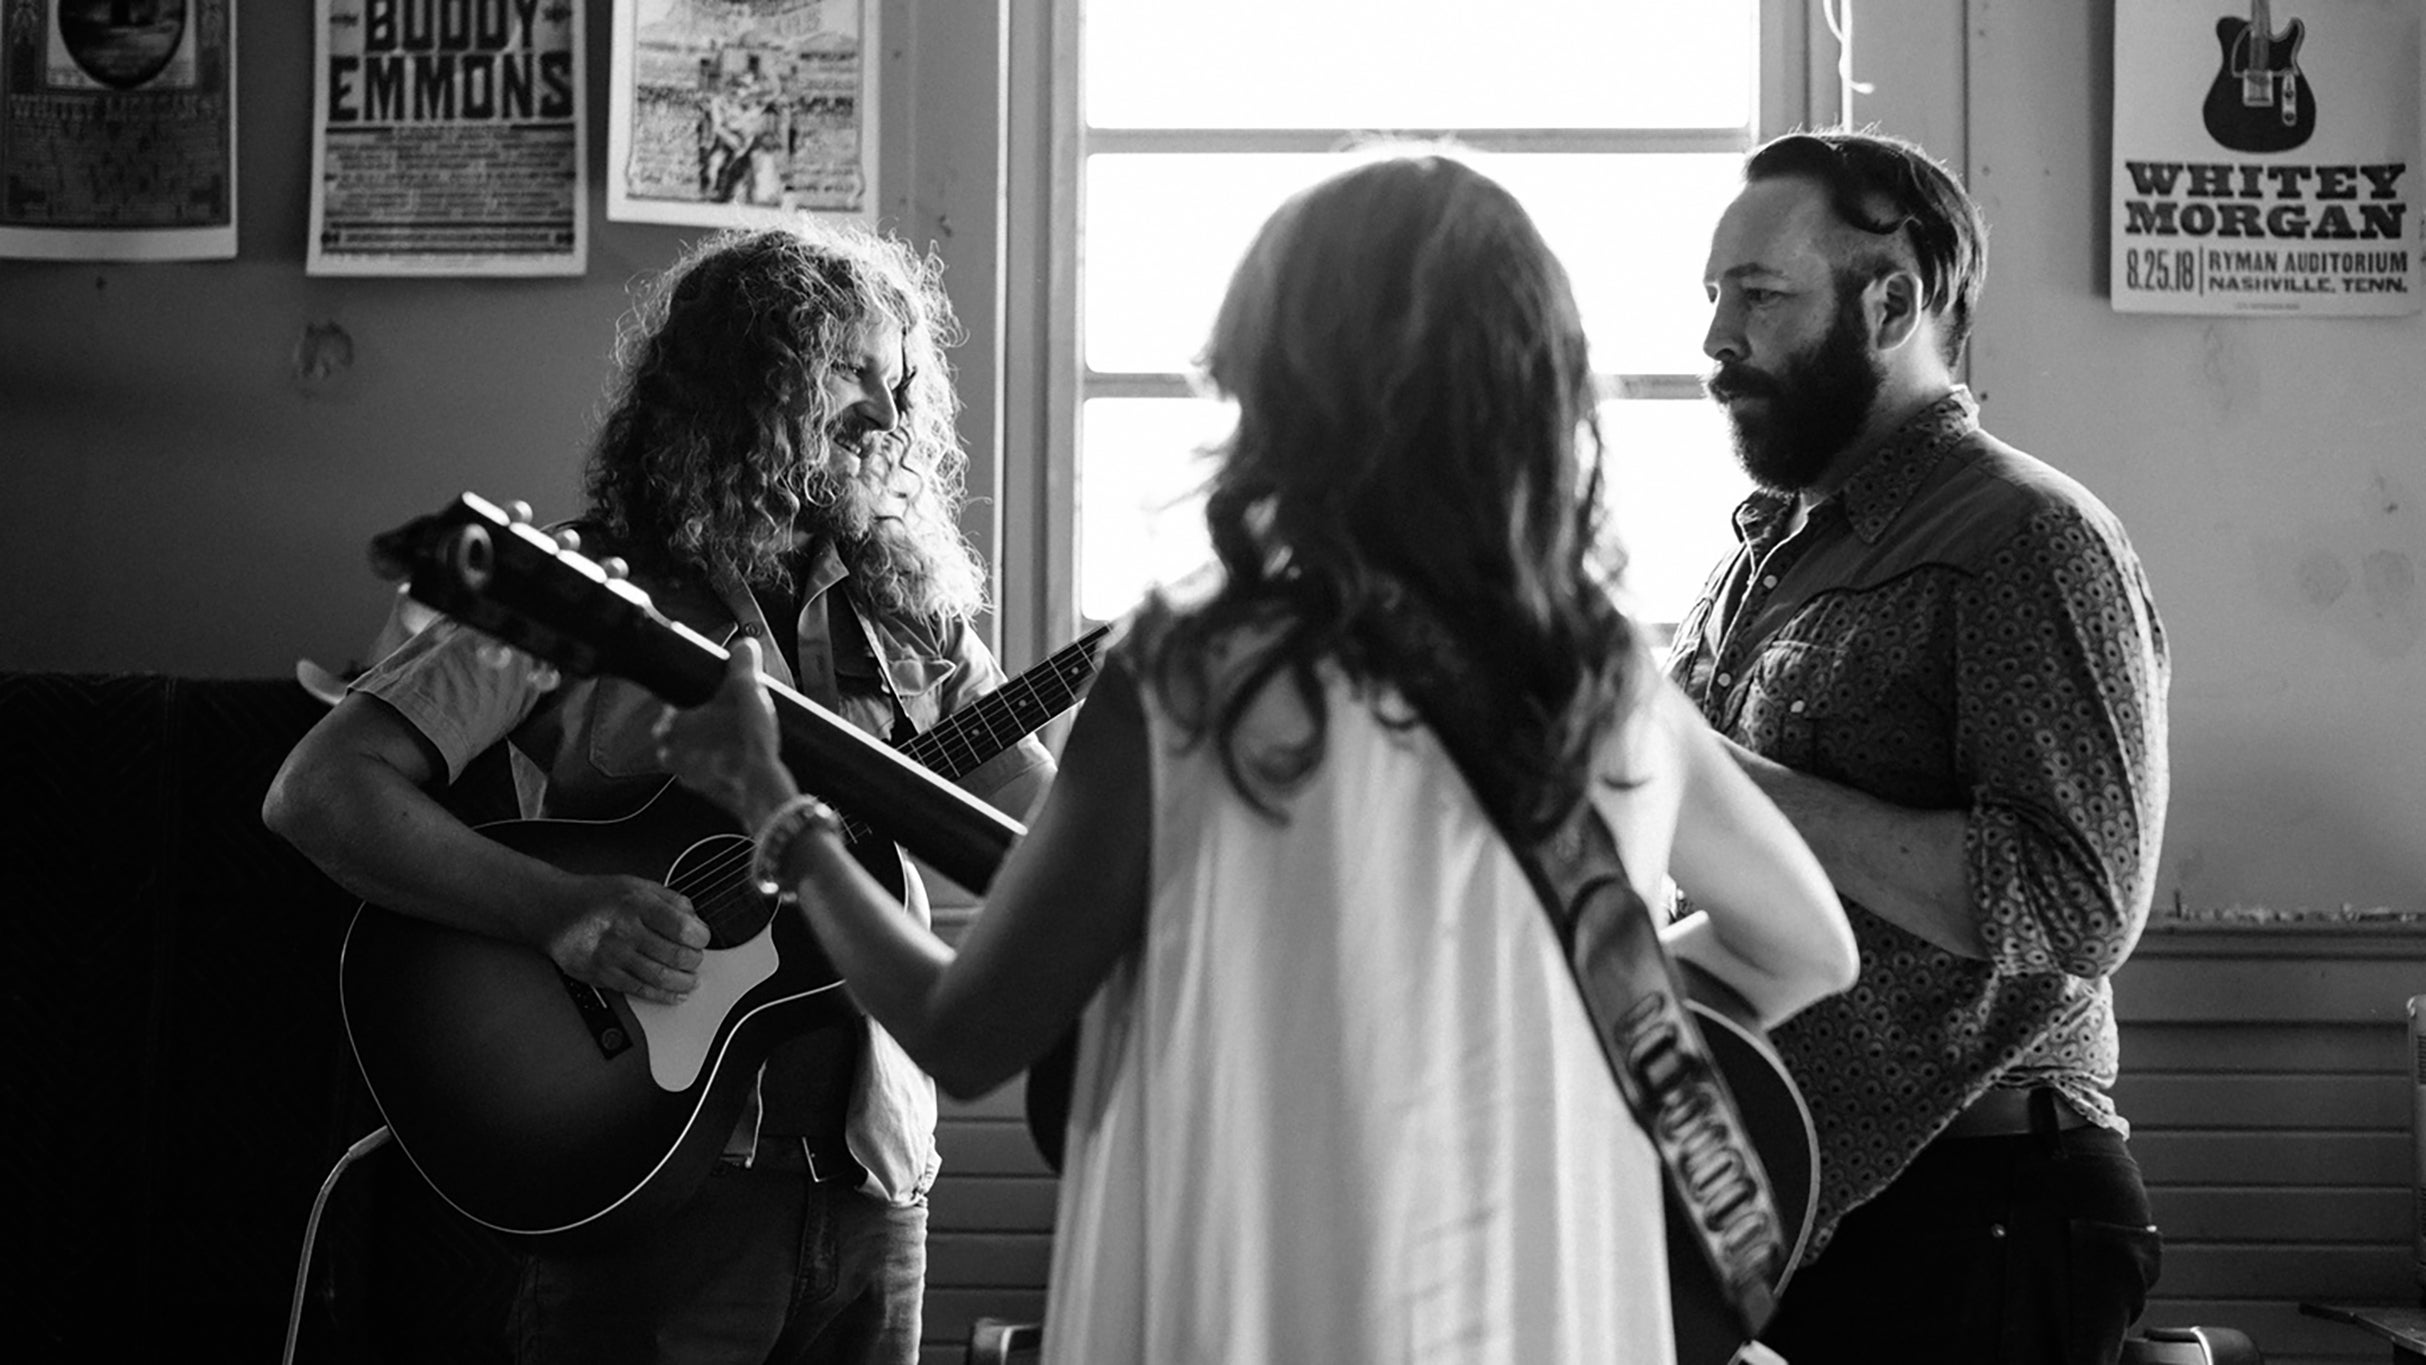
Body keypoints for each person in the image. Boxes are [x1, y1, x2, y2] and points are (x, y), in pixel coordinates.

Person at [653, 149, 1860, 1363]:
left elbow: (967, 1035)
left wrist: (778, 812)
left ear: (1286, 383)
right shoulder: (1601, 680)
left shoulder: (1196, 670)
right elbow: (1806, 947)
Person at [264, 220, 1055, 1365]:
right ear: (743, 385)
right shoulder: (583, 591)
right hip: (648, 1193)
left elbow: (1035, 831)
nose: (888, 421)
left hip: (875, 1185)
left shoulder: (910, 615)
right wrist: (559, 911)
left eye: (900, 385)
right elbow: (321, 790)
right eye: (848, 378)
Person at [1672, 128, 2172, 1364]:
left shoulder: (2029, 539)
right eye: (1713, 294)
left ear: (1889, 300)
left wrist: (1701, 774)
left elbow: (2070, 904)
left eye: (1759, 296)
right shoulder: (1758, 562)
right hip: (1789, 1214)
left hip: (1974, 1221)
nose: (1716, 339)